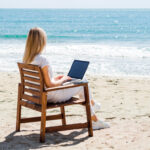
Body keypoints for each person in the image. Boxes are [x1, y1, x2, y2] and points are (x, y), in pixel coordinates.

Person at [23, 27, 110, 130]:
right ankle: (94, 118)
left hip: (37, 96)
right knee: (83, 82)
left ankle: (93, 105)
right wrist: (63, 80)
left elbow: (42, 81)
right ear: (41, 42)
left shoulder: (26, 58)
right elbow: (50, 85)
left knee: (78, 81)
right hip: (51, 96)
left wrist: (56, 78)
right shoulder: (42, 60)